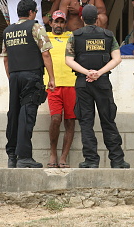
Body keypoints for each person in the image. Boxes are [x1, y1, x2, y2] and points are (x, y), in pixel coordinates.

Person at [65, 4, 129, 168]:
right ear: (98, 18)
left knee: (86, 122)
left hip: (82, 82)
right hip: (102, 82)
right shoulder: (108, 35)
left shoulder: (75, 36)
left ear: (81, 18)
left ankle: (91, 160)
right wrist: (99, 73)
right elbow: (117, 58)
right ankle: (117, 160)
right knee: (108, 121)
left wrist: (87, 73)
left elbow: (69, 60)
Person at [2, 0, 56, 168]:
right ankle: (24, 157)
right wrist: (52, 78)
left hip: (15, 76)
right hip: (32, 76)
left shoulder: (7, 31)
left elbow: (5, 59)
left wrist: (11, 78)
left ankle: (12, 155)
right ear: (32, 12)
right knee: (27, 115)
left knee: (14, 114)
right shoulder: (35, 27)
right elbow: (45, 54)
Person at [44, 10, 76, 168]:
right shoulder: (44, 38)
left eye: (62, 22)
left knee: (70, 121)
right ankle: (53, 154)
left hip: (72, 84)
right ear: (50, 23)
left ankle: (63, 157)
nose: (59, 25)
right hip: (53, 85)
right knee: (56, 119)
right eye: (56, 22)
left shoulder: (72, 37)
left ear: (66, 23)